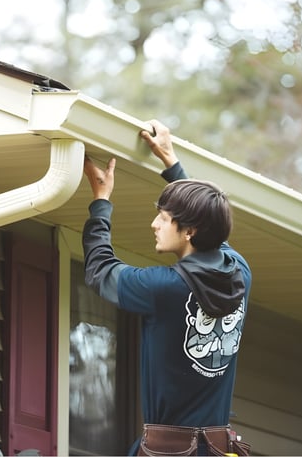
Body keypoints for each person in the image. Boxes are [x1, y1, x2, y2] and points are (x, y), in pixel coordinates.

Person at [82, 119, 252, 455]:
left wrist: (101, 200)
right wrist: (171, 163)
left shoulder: (164, 288)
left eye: (163, 216)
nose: (154, 223)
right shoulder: (239, 272)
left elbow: (100, 270)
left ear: (188, 229)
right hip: (217, 449)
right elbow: (212, 224)